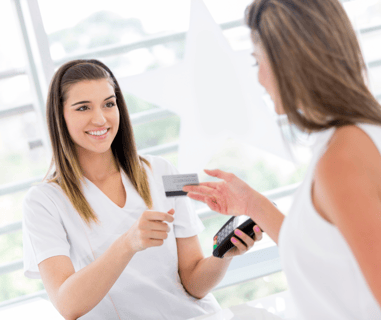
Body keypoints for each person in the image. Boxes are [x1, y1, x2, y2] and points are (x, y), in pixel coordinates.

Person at [183, 0, 381, 319]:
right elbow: (328, 257)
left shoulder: (342, 157)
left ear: (287, 62)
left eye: (256, 61)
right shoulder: (352, 137)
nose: (259, 79)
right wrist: (253, 206)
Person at [22, 59, 264, 320]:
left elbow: (193, 283)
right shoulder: (42, 202)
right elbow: (68, 305)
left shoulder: (164, 171)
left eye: (109, 104)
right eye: (83, 107)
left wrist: (222, 255)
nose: (100, 118)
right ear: (60, 116)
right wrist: (128, 243)